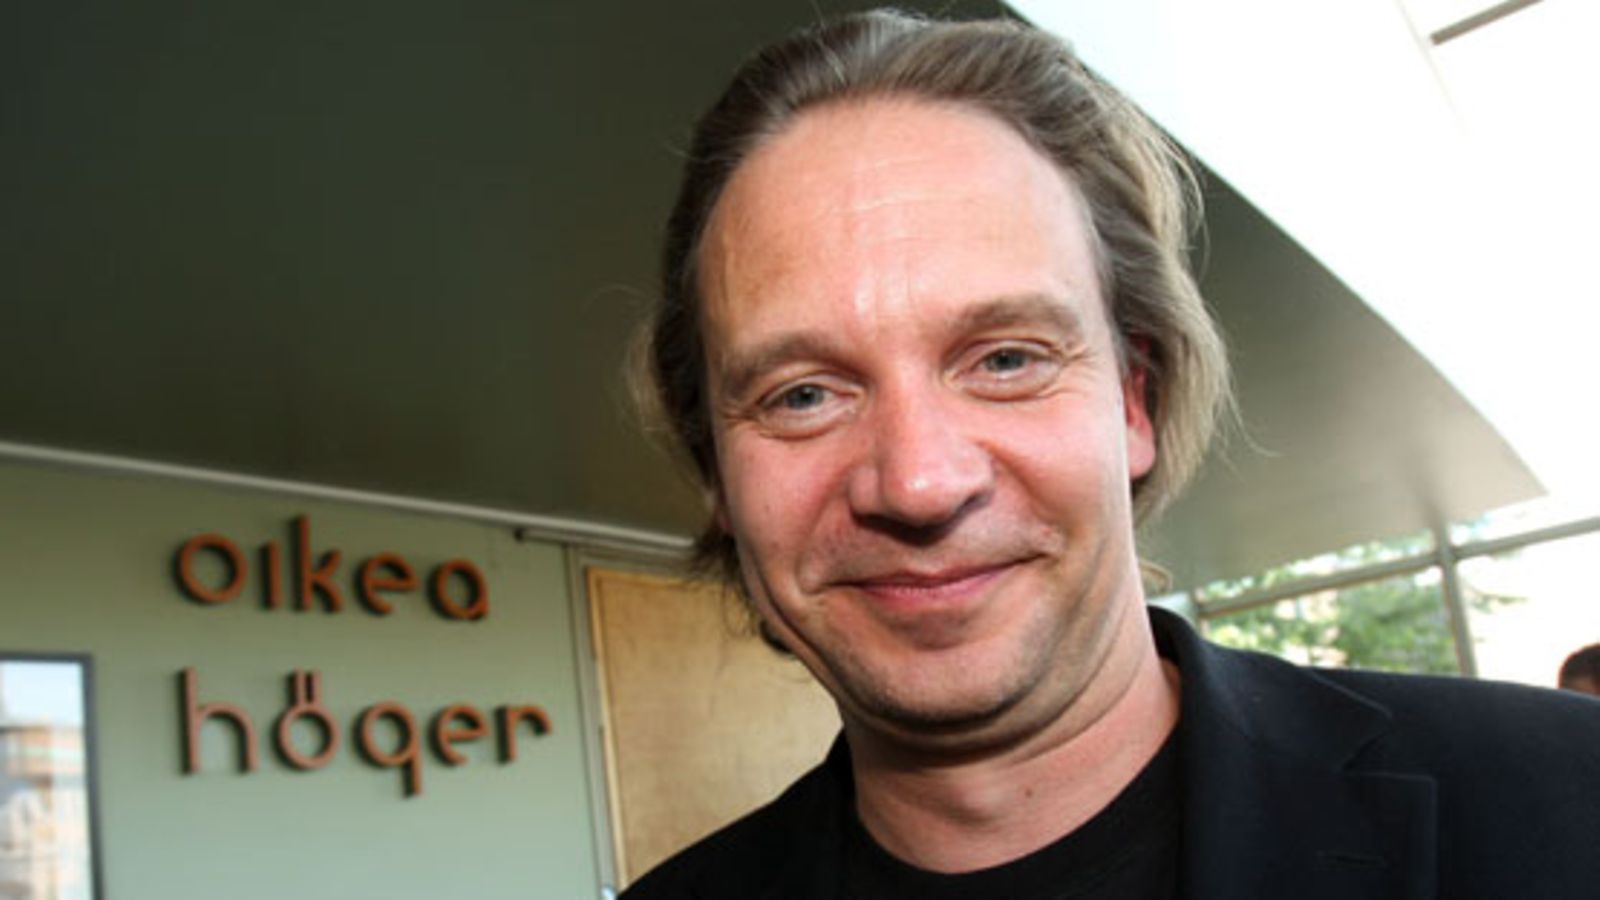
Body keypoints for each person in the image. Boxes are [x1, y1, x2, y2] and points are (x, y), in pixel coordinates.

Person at [626, 9, 1600, 898]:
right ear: (717, 472)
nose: (919, 482)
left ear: (1134, 401)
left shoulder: (1569, 799)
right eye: (802, 395)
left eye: (1006, 359)